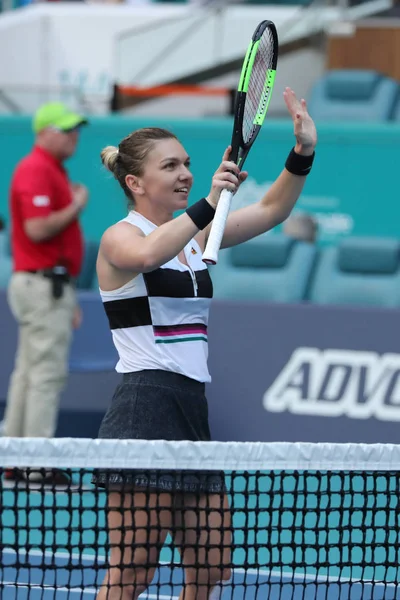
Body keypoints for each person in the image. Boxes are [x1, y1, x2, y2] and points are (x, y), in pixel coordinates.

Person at [94, 87, 317, 600]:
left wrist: (301, 152)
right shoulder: (119, 238)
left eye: (188, 163)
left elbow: (271, 211)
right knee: (134, 569)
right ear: (135, 182)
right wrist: (210, 202)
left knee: (212, 566)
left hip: (192, 408)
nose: (185, 173)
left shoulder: (195, 239)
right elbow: (150, 255)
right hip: (143, 408)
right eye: (170, 166)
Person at [3, 102, 89, 486]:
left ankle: (14, 456)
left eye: (75, 129)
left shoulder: (49, 169)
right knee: (45, 376)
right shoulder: (36, 168)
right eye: (66, 129)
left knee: (28, 373)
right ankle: (34, 462)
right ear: (44, 132)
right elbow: (37, 229)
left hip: (47, 285)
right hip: (42, 285)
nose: (74, 136)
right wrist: (75, 206)